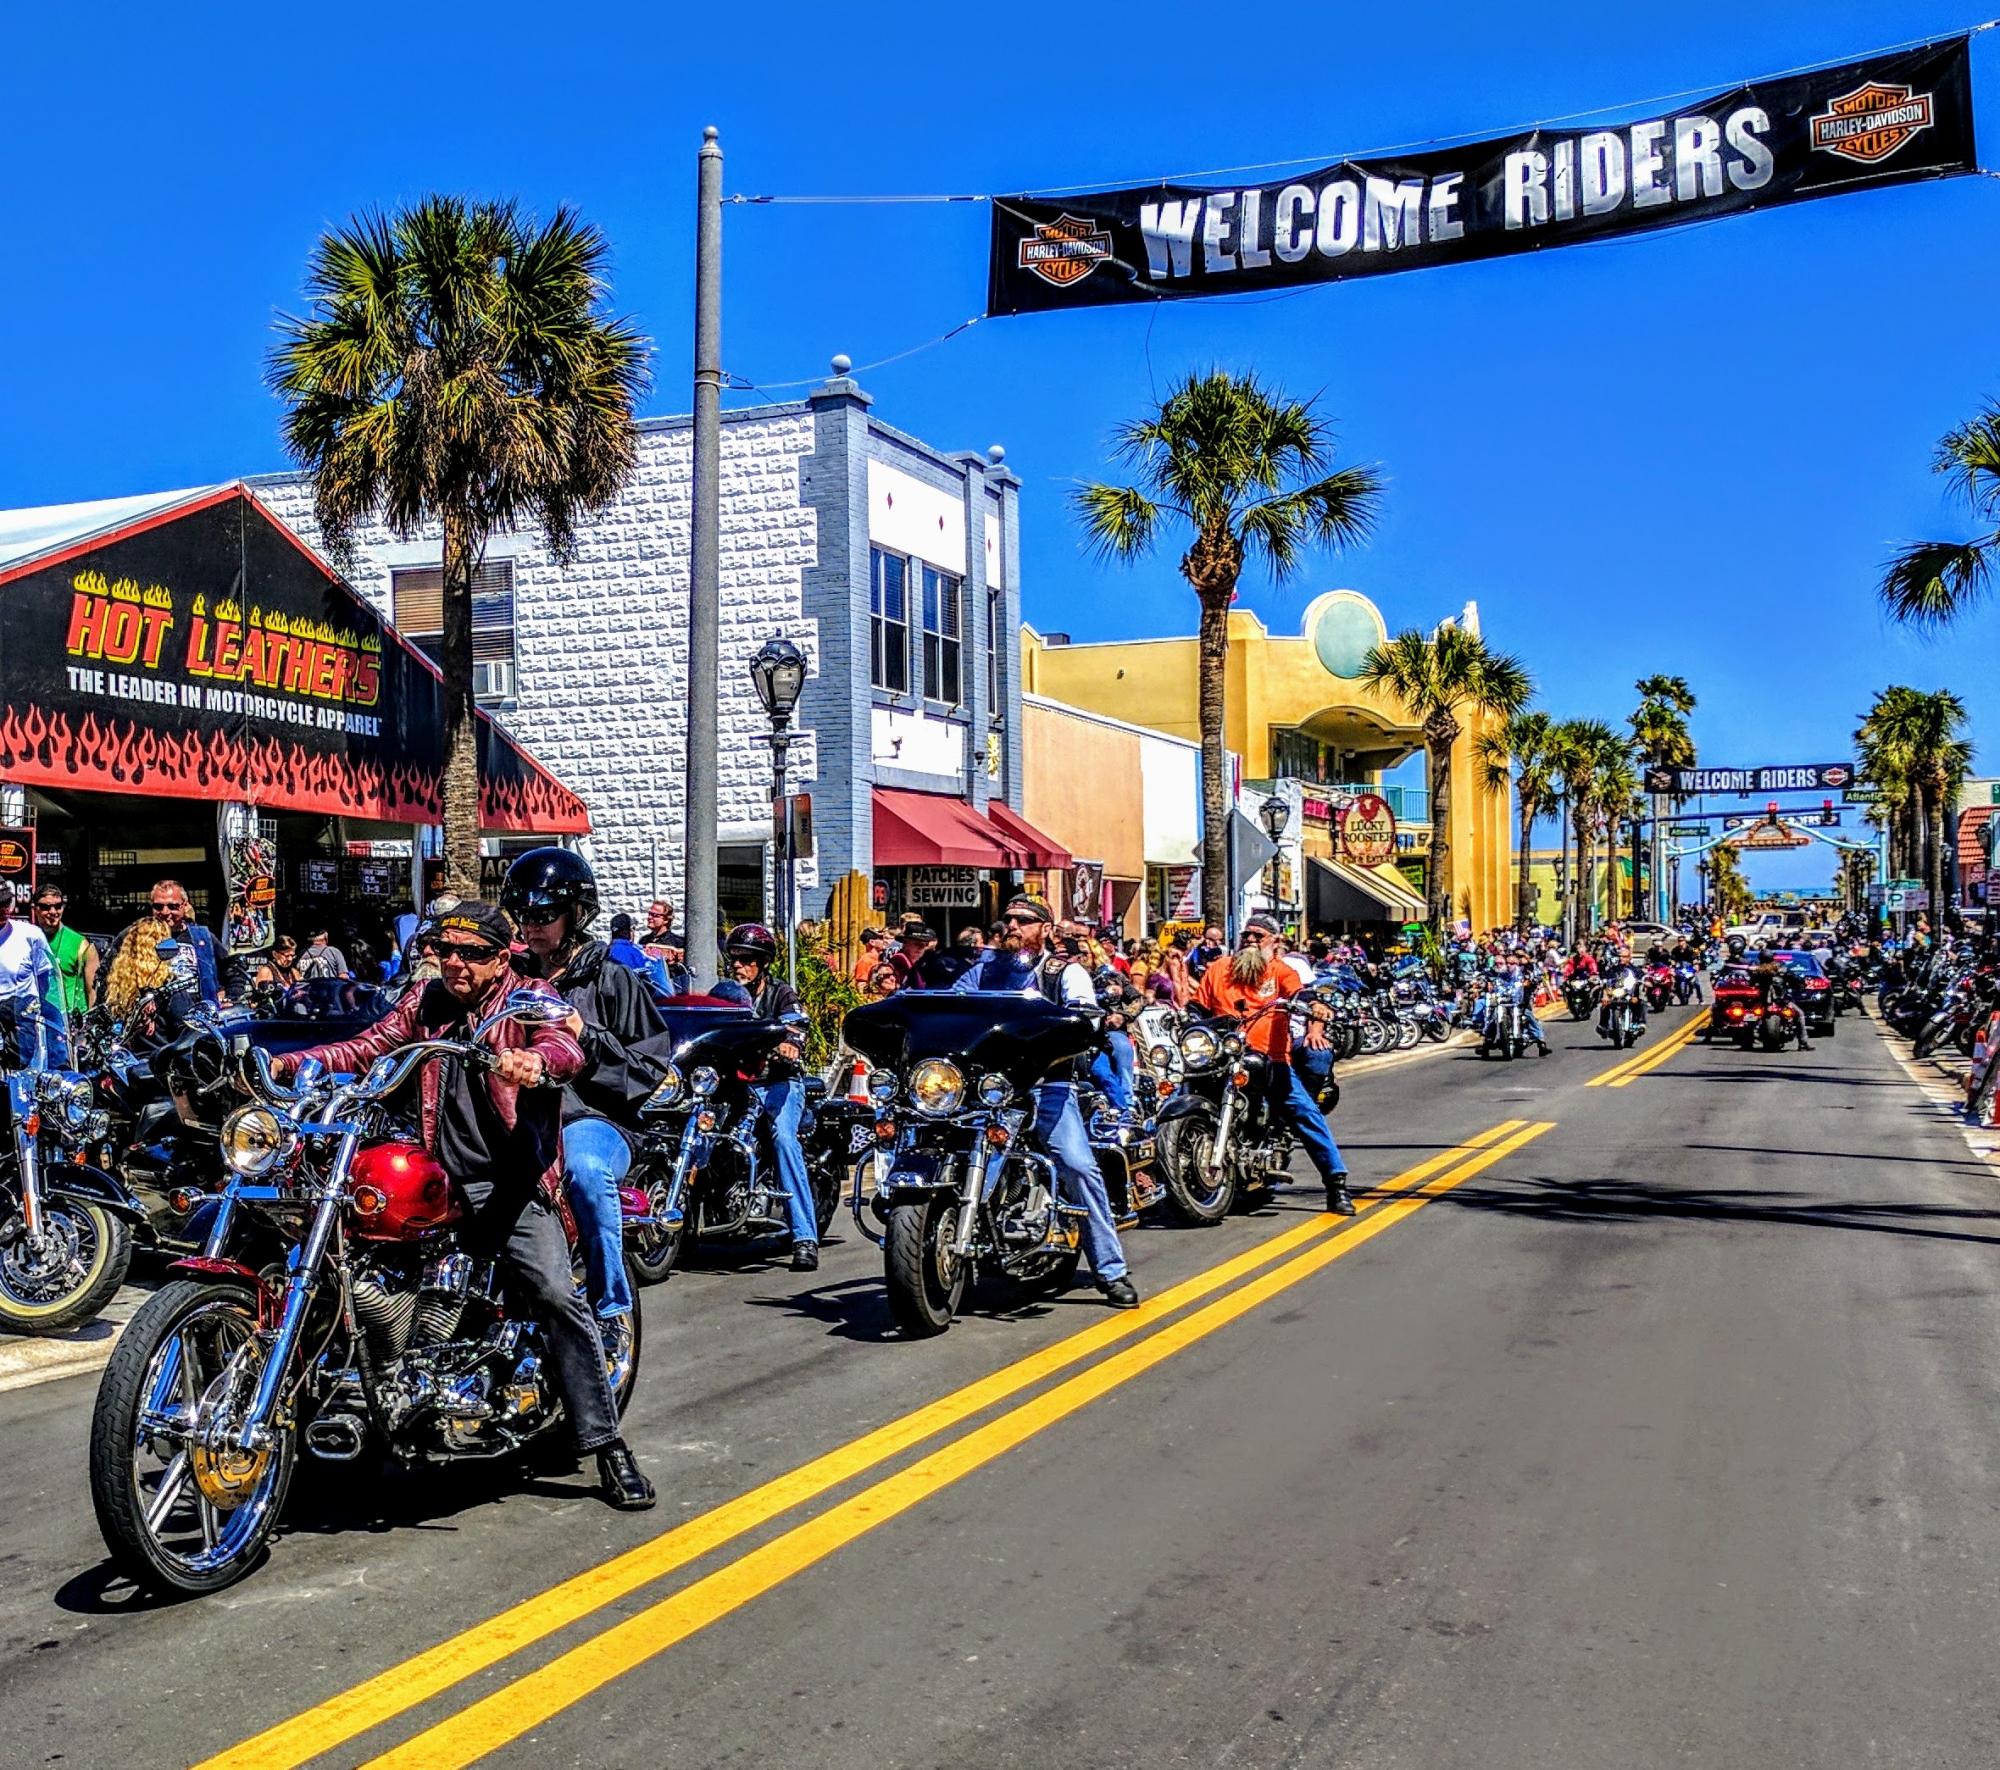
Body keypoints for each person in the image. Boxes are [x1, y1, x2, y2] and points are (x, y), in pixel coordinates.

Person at [272, 900, 654, 1511]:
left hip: (510, 1181)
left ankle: (605, 1444)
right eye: (445, 950)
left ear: (502, 957)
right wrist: (294, 1061)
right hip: (439, 1179)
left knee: (556, 1293)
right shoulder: (425, 1003)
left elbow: (563, 1043)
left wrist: (534, 1061)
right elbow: (367, 1045)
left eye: (471, 952)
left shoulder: (525, 998)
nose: (454, 962)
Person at [501, 850, 667, 1341]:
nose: (533, 927)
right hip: (517, 1119)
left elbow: (650, 1066)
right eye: (525, 916)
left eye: (544, 915)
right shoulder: (508, 979)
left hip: (592, 1120)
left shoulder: (611, 977)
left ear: (575, 913)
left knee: (589, 1175)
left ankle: (611, 1309)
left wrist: (585, 1035)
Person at [953, 895, 1139, 1309]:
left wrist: (1075, 1025)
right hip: (989, 1090)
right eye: (1008, 920)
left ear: (1045, 930)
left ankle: (1111, 1270)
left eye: (1024, 920)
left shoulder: (1064, 972)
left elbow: (1084, 1016)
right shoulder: (986, 970)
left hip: (1047, 1084)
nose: (1013, 926)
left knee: (1078, 1165)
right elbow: (953, 1003)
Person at [1191, 914, 1354, 1213]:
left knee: (1304, 1113)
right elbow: (1197, 1007)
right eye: (1247, 935)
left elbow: (1300, 992)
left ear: (1274, 942)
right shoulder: (1219, 969)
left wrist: (1313, 1004)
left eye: (1259, 936)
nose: (1251, 940)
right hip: (1219, 1058)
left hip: (1267, 1059)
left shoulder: (1281, 971)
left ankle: (1336, 1184)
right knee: (1180, 1095)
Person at [721, 923, 821, 1272]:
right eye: (733, 958)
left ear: (763, 964)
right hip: (736, 1084)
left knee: (782, 1140)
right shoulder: (725, 996)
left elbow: (797, 1028)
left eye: (747, 959)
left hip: (779, 1082)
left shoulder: (781, 995)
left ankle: (804, 1237)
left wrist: (789, 1043)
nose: (738, 965)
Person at [0, 880, 68, 1067]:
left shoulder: (31, 935)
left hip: (25, 1020)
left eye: (6, 903)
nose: (4, 909)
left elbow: (44, 978)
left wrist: (31, 1011)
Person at [140, 879, 221, 1005]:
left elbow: (232, 968)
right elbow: (109, 971)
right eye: (158, 906)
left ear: (185, 905)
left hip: (200, 1015)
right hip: (157, 1018)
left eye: (173, 906)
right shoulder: (139, 936)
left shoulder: (202, 936)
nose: (165, 912)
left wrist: (231, 997)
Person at [29, 886, 96, 1021]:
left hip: (67, 1023)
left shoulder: (80, 944)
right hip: (35, 1019)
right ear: (34, 909)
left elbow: (92, 991)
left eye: (57, 906)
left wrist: (86, 1027)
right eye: (45, 907)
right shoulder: (27, 939)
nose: (53, 912)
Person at [102, 916, 176, 1032]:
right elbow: (185, 1029)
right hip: (159, 1048)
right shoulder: (169, 983)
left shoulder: (116, 982)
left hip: (123, 1047)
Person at [889, 925, 938, 990]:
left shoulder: (913, 963)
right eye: (918, 944)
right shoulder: (900, 960)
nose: (921, 948)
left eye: (925, 945)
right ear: (905, 943)